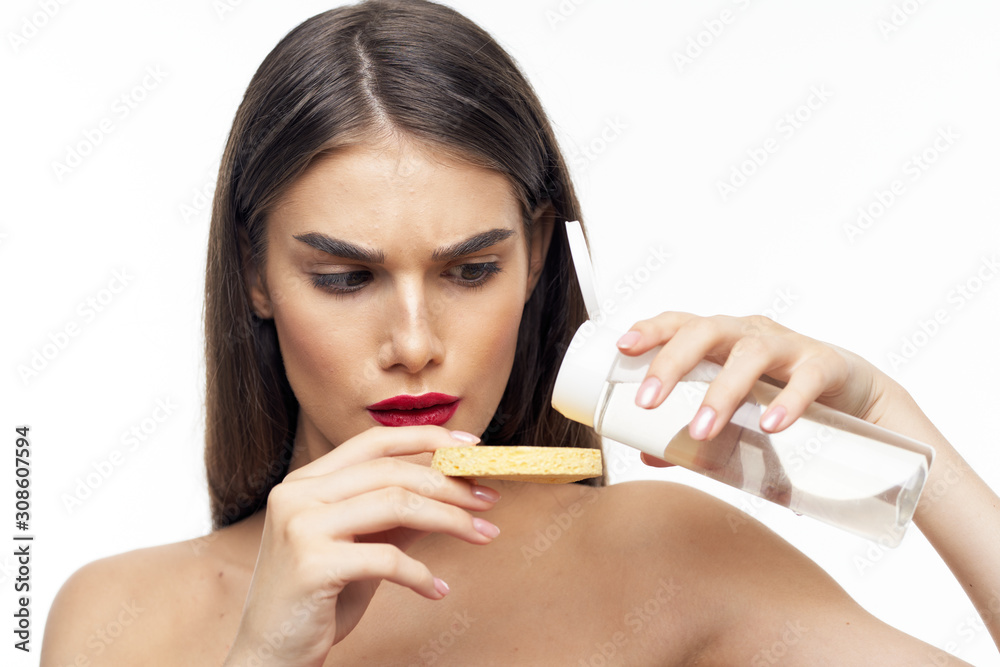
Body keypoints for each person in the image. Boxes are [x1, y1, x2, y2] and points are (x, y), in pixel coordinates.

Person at [39, 1, 1000, 664]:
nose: (414, 341)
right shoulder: (119, 617)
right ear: (255, 274)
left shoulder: (664, 555)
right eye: (345, 277)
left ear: (537, 256)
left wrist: (891, 419)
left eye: (470, 270)